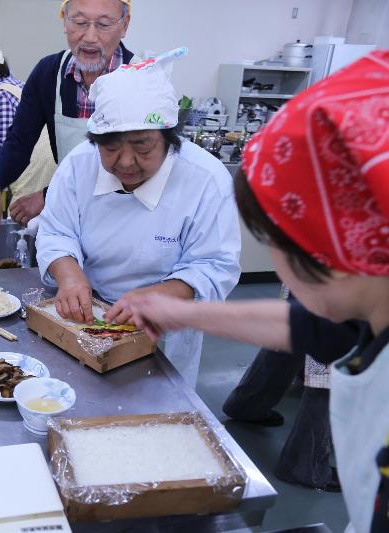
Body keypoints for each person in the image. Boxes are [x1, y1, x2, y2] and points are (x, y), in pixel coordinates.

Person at [123, 50, 389, 532]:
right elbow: (306, 326)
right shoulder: (371, 303)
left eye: (271, 240)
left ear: (329, 241)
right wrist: (179, 312)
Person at [36, 49, 241, 387]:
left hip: (166, 331)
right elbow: (57, 230)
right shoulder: (79, 165)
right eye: (111, 148)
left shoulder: (205, 179)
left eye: (143, 146)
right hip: (86, 315)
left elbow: (215, 265)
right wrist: (70, 276)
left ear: (169, 139)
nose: (126, 162)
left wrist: (160, 295)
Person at [0, 0, 136, 236]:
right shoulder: (49, 73)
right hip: (71, 217)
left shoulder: (142, 79)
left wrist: (48, 195)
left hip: (124, 220)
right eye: (79, 22)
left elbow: (131, 167)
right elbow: (19, 140)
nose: (89, 36)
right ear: (65, 21)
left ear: (124, 25)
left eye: (103, 24)